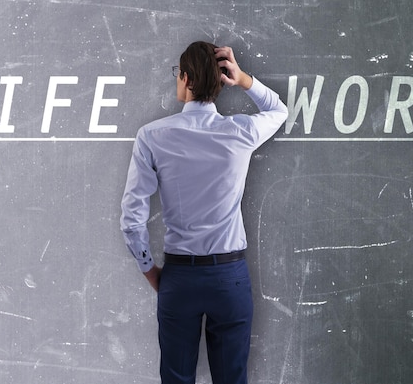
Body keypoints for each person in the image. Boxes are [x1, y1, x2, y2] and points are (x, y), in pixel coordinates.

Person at [120, 41, 288, 384]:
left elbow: (131, 218)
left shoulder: (152, 136)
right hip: (230, 277)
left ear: (185, 78)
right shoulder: (240, 131)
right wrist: (243, 80)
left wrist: (151, 272)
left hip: (180, 278)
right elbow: (279, 111)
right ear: (218, 80)